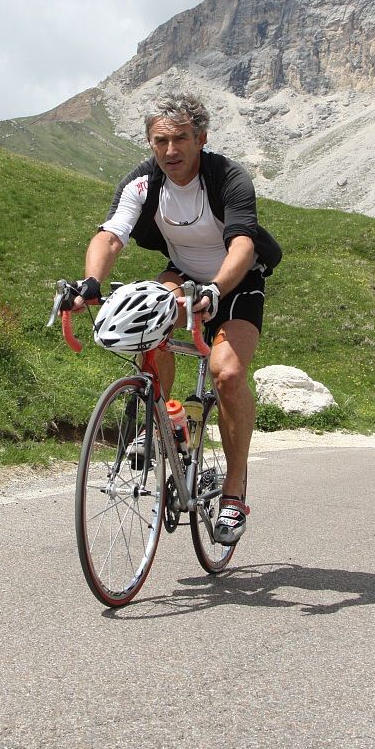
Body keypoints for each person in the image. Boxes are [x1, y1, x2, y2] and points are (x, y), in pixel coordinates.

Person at [66, 92, 282, 545]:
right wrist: (90, 283)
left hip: (236, 279)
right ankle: (164, 419)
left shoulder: (228, 178)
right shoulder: (142, 182)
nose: (170, 151)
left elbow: (242, 244)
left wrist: (216, 289)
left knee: (227, 374)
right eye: (160, 141)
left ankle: (234, 492)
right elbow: (111, 236)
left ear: (201, 138)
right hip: (181, 274)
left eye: (181, 139)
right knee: (146, 319)